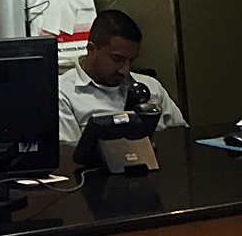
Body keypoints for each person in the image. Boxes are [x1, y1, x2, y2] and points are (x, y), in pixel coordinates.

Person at [56, 10, 186, 144]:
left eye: (131, 60)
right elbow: (69, 157)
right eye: (117, 59)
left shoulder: (151, 86)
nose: (125, 70)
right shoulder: (62, 94)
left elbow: (182, 138)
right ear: (91, 49)